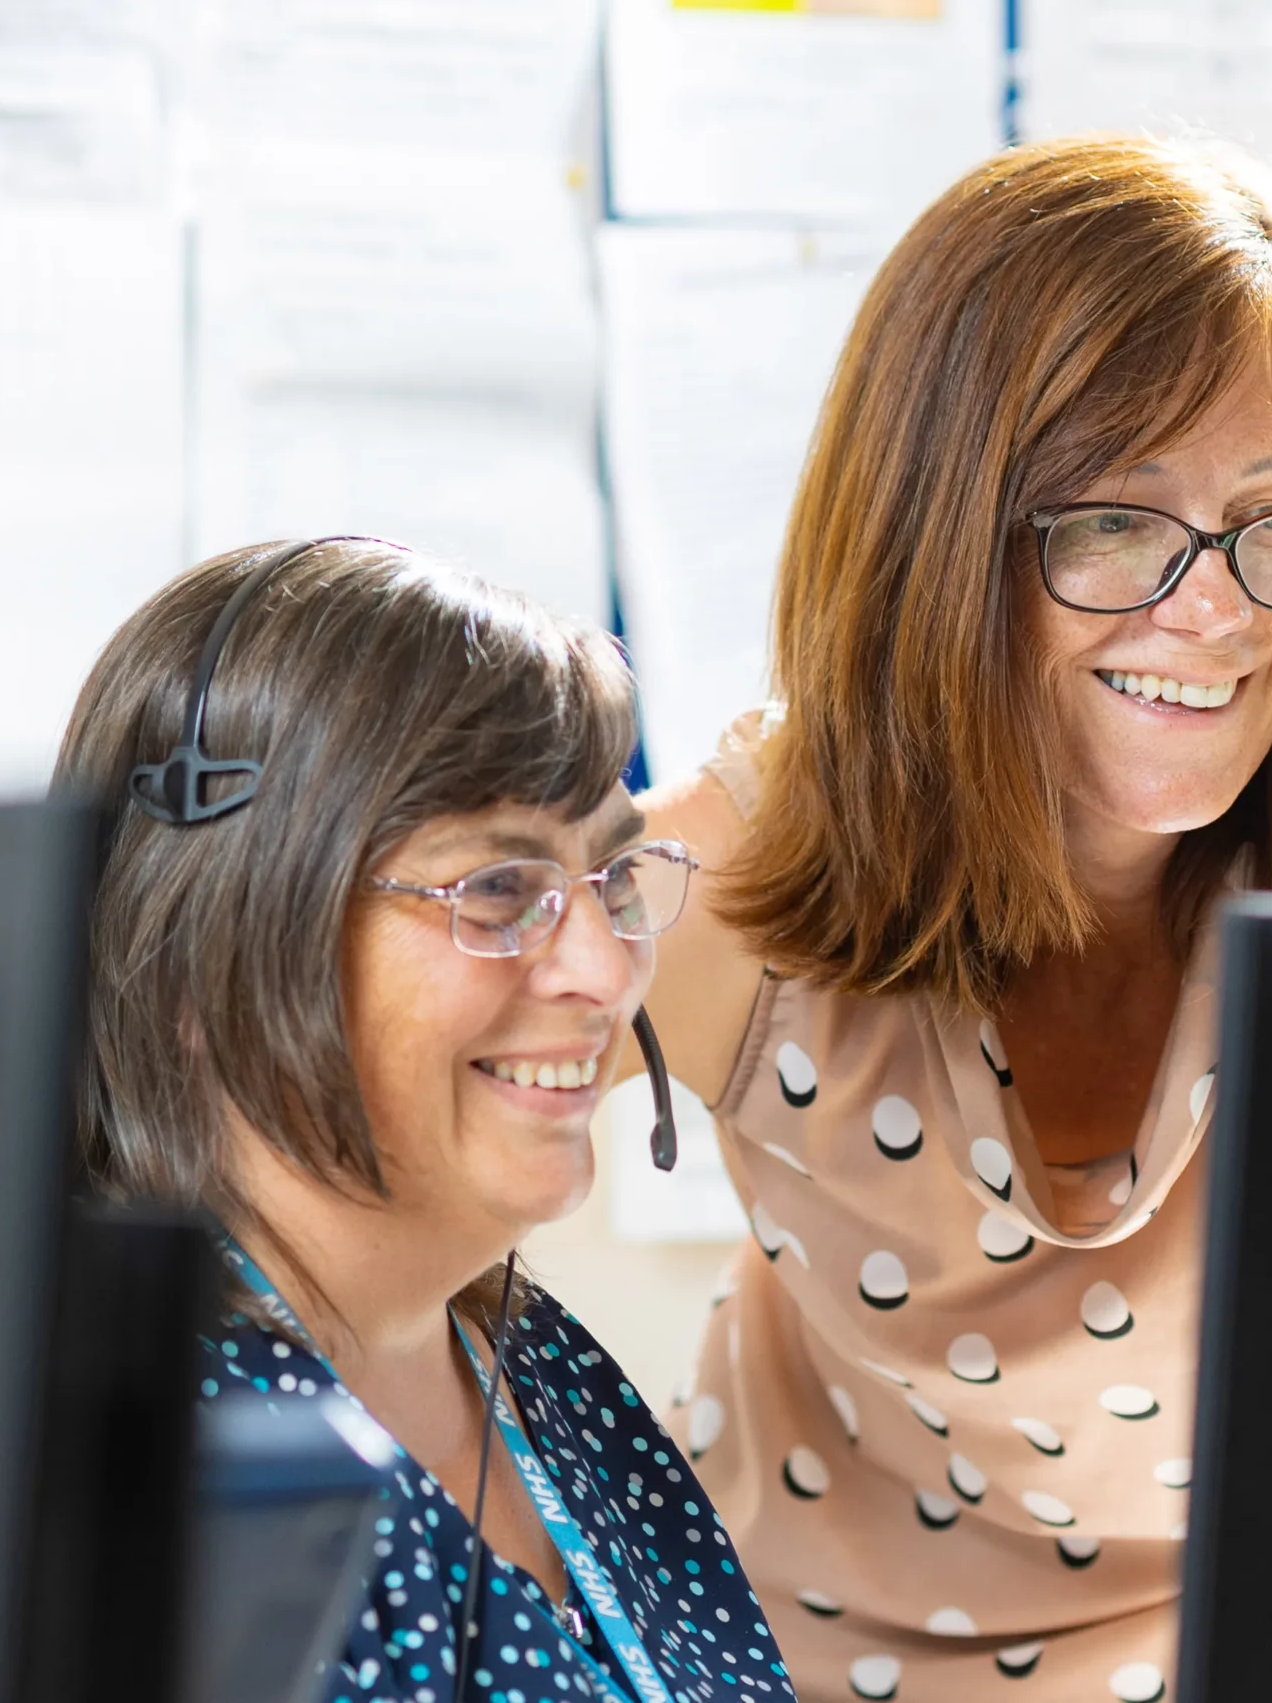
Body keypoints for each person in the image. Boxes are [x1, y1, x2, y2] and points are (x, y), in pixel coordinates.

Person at [634, 138, 1272, 1701]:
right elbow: (355, 1134)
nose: (1216, 610)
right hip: (786, 1658)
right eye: (1113, 522)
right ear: (938, 534)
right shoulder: (750, 858)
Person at [55, 538, 795, 1703]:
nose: (607, 972)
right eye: (497, 889)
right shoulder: (147, 1483)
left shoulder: (535, 1366)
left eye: (611, 880)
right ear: (209, 955)